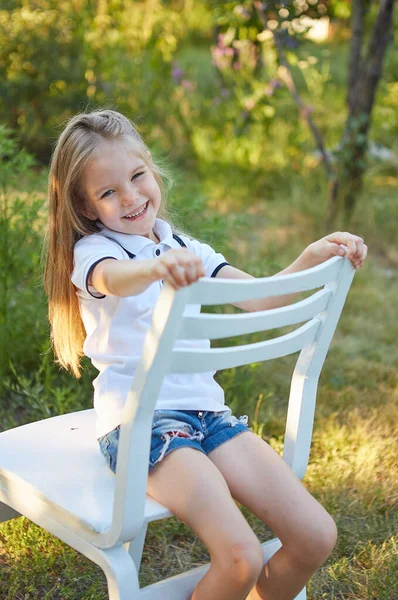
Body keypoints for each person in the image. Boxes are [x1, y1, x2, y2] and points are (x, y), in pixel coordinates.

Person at [44, 109, 367, 600]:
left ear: (152, 170)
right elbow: (114, 279)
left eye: (137, 177)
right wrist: (156, 270)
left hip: (208, 416)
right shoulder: (95, 252)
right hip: (143, 427)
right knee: (239, 557)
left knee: (315, 536)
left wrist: (311, 256)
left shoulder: (179, 243)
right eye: (108, 192)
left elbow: (259, 297)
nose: (130, 197)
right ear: (88, 208)